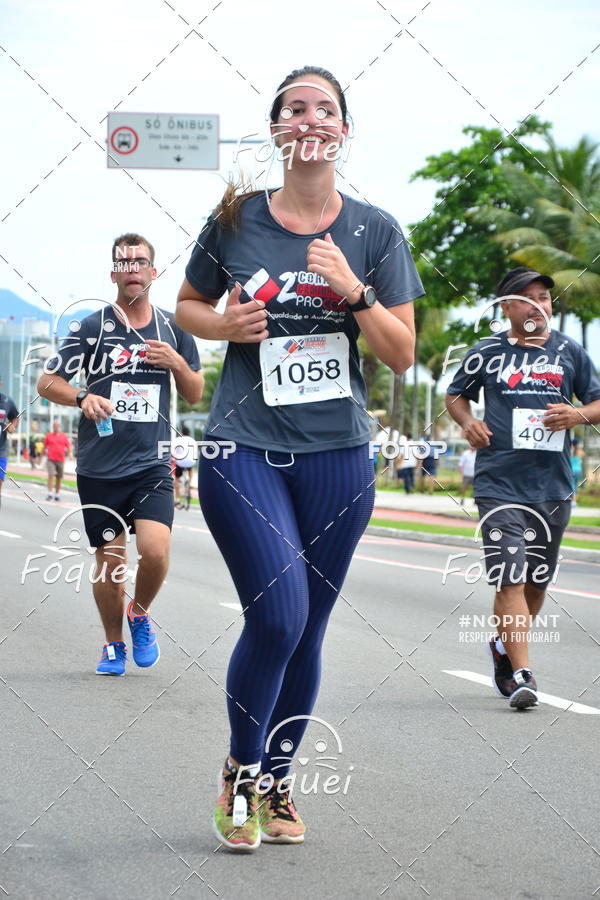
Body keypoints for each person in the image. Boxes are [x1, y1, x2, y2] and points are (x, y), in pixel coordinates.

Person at [176, 65, 424, 851]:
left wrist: (356, 294)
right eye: (294, 108)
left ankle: (278, 784)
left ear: (342, 132)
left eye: (325, 108)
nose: (310, 117)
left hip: (339, 457)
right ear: (278, 130)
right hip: (243, 445)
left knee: (308, 630)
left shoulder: (376, 232)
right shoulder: (235, 219)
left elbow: (403, 355)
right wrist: (224, 329)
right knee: (276, 615)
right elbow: (187, 307)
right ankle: (241, 775)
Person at [38, 233, 203, 676]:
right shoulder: (90, 328)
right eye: (124, 263)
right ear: (113, 274)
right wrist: (81, 398)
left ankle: (140, 613)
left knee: (155, 550)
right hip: (100, 467)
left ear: (153, 272)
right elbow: (47, 383)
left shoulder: (173, 330)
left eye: (140, 262)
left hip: (150, 463)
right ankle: (113, 645)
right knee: (111, 562)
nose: (132, 269)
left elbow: (194, 393)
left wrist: (177, 364)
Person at [445, 266, 600, 710]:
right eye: (527, 299)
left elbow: (596, 400)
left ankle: (503, 646)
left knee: (536, 582)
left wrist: (577, 415)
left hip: (552, 486)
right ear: (507, 307)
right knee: (510, 576)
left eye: (545, 299)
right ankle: (522, 673)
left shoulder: (570, 351)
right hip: (498, 484)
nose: (538, 306)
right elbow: (456, 395)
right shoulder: (487, 352)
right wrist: (469, 421)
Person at [0, 382, 19, 510]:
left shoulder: (7, 401)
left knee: (0, 479)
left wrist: (12, 426)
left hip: (1, 447)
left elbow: (15, 417)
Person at [43, 420, 71, 501]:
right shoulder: (49, 436)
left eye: (57, 425)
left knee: (59, 477)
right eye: (54, 425)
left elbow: (68, 446)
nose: (55, 427)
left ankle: (57, 494)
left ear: (59, 427)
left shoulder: (64, 436)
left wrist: (71, 455)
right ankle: (50, 493)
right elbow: (44, 447)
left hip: (60, 459)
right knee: (51, 474)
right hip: (51, 459)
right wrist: (40, 457)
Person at [172, 425, 197, 507]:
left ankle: (177, 499)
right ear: (189, 433)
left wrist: (174, 459)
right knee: (191, 468)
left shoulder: (177, 440)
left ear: (181, 433)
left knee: (177, 479)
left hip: (180, 462)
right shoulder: (193, 440)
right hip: (191, 462)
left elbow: (173, 451)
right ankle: (189, 483)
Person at [570, 437, 584, 506]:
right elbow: (583, 455)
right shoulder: (580, 451)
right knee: (575, 485)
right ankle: (575, 501)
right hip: (578, 470)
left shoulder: (570, 451)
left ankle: (573, 501)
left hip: (571, 470)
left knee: (571, 486)